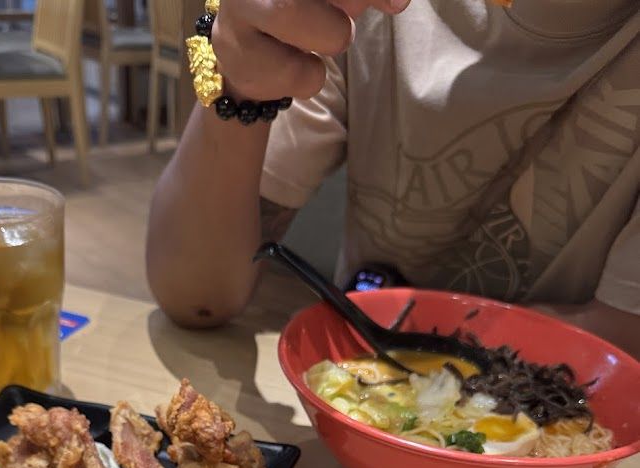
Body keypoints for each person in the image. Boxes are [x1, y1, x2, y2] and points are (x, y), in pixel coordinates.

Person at [146, 0, 639, 358]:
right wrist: (237, 77)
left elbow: (622, 344)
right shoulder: (372, 14)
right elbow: (197, 296)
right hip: (354, 405)